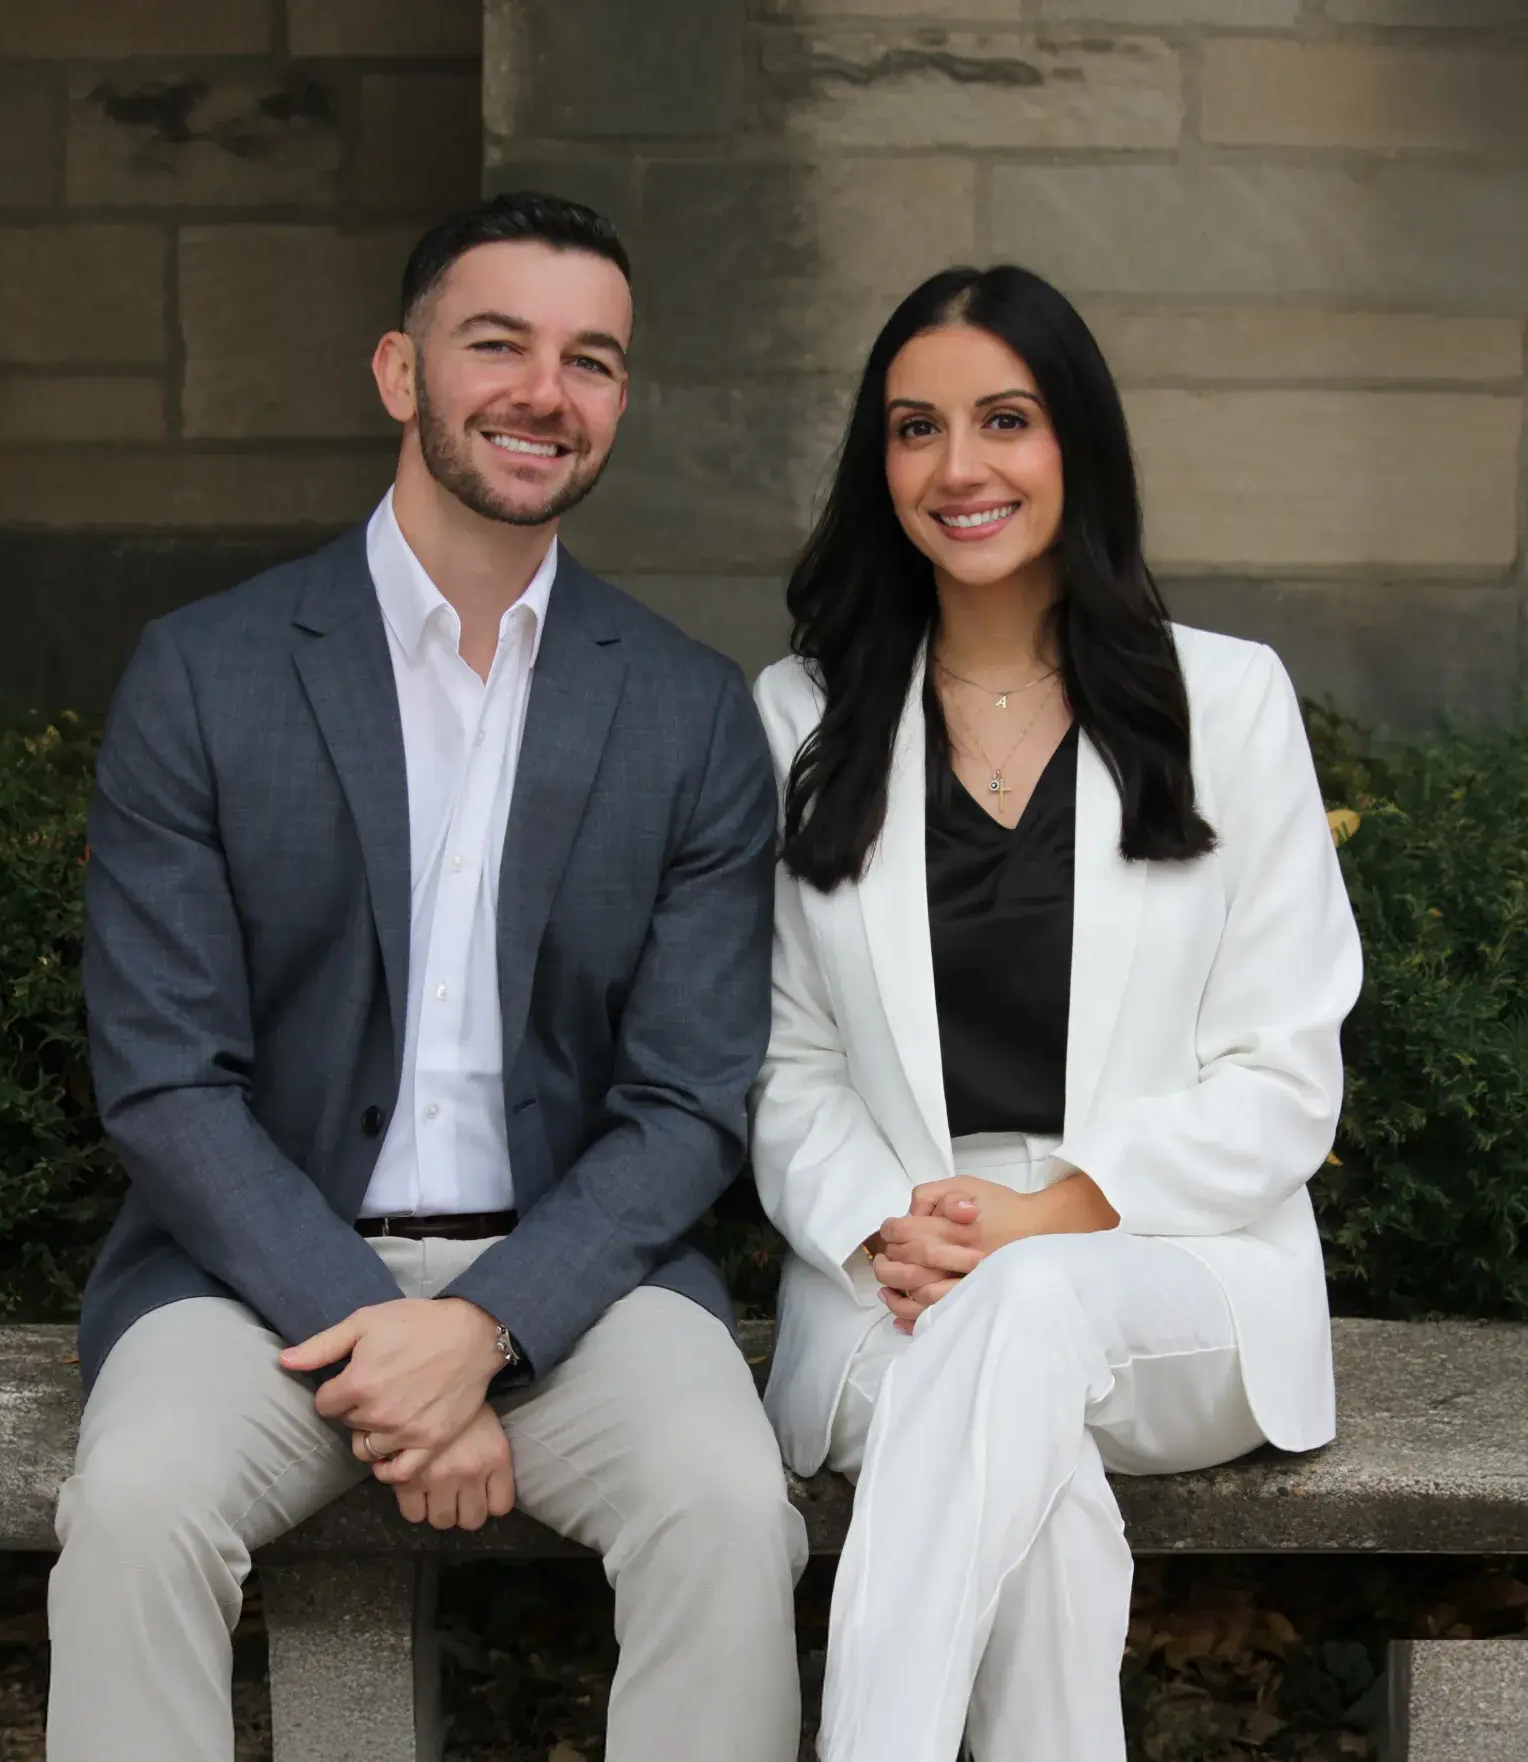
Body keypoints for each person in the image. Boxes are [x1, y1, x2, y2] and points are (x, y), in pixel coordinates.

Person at [50, 191, 806, 1762]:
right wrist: (380, 1333)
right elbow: (168, 1080)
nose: (546, 390)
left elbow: (683, 1107)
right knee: (131, 1508)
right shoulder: (209, 671)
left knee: (732, 1507)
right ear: (400, 372)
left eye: (590, 359)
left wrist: (484, 1331)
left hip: (581, 1292)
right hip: (250, 1285)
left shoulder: (686, 712)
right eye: (498, 343)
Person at [749, 264, 1362, 1762]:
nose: (959, 468)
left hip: (1171, 1270)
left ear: (1073, 441)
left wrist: (1044, 1220)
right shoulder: (801, 720)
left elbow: (1283, 1075)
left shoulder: (1227, 703)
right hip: (898, 1267)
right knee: (1038, 1497)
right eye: (915, 429)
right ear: (876, 462)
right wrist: (891, 1225)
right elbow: (784, 1062)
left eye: (1003, 419)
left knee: (1020, 1313)